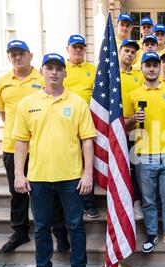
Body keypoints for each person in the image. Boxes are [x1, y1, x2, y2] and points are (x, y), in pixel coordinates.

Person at [13, 53, 96, 267]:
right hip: (39, 177)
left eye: (59, 68)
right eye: (49, 68)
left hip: (71, 177)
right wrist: (19, 174)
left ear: (65, 72)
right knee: (41, 227)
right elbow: (21, 142)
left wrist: (87, 173)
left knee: (76, 225)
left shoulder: (78, 102)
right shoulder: (27, 104)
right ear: (42, 71)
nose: (54, 72)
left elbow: (87, 141)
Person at [0, 40, 69, 254]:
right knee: (17, 191)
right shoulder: (2, 82)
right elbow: (4, 114)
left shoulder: (43, 77)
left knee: (50, 191)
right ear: (9, 57)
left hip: (40, 147)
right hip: (13, 145)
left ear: (30, 55)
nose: (18, 57)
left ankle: (60, 232)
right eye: (13, 54)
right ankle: (19, 232)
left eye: (21, 53)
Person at [124, 52, 165, 254]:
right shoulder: (133, 94)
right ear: (141, 68)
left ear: (160, 68)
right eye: (147, 65)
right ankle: (152, 234)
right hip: (143, 155)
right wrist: (133, 119)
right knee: (149, 201)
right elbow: (123, 125)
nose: (151, 69)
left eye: (154, 65)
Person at [63, 34, 99, 219]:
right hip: (64, 124)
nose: (78, 50)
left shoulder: (92, 70)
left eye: (81, 47)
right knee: (68, 163)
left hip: (87, 123)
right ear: (67, 49)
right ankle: (70, 203)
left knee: (87, 163)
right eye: (74, 46)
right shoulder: (60, 69)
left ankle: (89, 202)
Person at [118, 39, 145, 221]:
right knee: (119, 167)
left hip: (135, 129)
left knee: (134, 168)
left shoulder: (140, 75)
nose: (129, 54)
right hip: (115, 127)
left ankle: (135, 202)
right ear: (120, 52)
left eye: (133, 52)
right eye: (126, 51)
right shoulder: (111, 72)